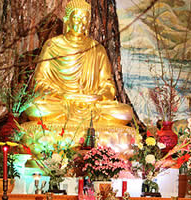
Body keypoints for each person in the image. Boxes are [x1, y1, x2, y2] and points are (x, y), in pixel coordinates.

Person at [25, 0, 133, 128]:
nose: (81, 23)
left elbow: (108, 85)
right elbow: (39, 83)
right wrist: (62, 95)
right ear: (67, 20)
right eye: (76, 18)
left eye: (85, 18)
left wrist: (98, 97)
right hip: (62, 102)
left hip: (91, 104)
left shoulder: (97, 49)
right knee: (36, 109)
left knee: (124, 112)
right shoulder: (52, 45)